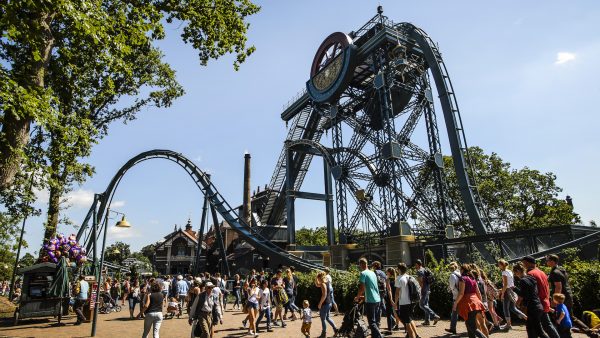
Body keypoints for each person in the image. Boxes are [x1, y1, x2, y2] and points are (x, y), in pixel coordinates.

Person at [522, 256, 560, 338]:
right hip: (544, 301)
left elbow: (531, 291)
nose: (523, 265)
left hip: (537, 303)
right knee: (546, 326)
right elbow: (547, 287)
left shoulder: (530, 274)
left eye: (524, 263)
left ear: (528, 263)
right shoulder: (541, 272)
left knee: (536, 327)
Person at [512, 263, 549, 338]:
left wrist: (522, 306)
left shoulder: (523, 281)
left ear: (518, 271)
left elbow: (524, 295)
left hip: (532, 307)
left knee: (539, 331)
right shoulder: (531, 278)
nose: (515, 275)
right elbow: (531, 292)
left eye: (515, 273)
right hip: (538, 305)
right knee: (530, 329)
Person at [453, 264, 488, 338]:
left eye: (460, 269)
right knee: (470, 326)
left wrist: (455, 303)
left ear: (462, 270)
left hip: (468, 304)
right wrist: (480, 303)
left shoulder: (462, 279)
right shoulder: (473, 279)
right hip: (476, 302)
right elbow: (478, 293)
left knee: (472, 327)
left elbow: (461, 293)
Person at [355, 258, 382, 338]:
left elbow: (362, 289)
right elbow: (373, 288)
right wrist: (363, 297)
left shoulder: (363, 273)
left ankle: (380, 336)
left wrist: (357, 297)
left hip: (370, 301)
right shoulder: (372, 273)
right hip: (377, 299)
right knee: (375, 321)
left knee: (372, 322)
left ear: (361, 264)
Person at [497, 259, 527, 330]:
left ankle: (508, 324)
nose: (498, 266)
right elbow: (511, 283)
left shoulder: (504, 272)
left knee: (505, 308)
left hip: (507, 291)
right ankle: (527, 318)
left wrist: (502, 294)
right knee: (513, 308)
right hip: (512, 290)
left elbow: (505, 284)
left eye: (498, 264)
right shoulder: (509, 271)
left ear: (501, 265)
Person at [395, 262, 421, 338]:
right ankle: (416, 335)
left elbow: (397, 293)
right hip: (412, 301)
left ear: (399, 269)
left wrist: (395, 303)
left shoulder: (399, 278)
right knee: (409, 318)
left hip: (404, 303)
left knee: (406, 322)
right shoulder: (410, 277)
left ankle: (411, 336)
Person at [414, 259, 440, 325]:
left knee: (421, 305)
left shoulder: (419, 271)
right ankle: (427, 321)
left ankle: (434, 316)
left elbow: (420, 282)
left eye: (415, 264)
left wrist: (420, 290)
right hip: (428, 288)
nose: (415, 266)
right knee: (426, 304)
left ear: (417, 264)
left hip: (423, 290)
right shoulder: (425, 269)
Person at [316, 271, 337, 338]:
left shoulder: (323, 284)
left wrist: (320, 304)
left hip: (325, 304)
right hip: (329, 302)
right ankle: (335, 329)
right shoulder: (326, 281)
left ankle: (323, 334)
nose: (318, 280)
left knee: (323, 319)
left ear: (320, 277)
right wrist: (315, 278)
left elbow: (324, 295)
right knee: (327, 318)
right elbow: (317, 284)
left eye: (318, 278)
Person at [372, 261, 391, 333]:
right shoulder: (383, 272)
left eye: (373, 266)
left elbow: (374, 282)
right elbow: (386, 281)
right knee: (382, 306)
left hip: (378, 291)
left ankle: (377, 324)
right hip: (383, 291)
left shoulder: (375, 272)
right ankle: (392, 321)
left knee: (378, 308)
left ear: (375, 266)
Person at [445, 262, 462, 334]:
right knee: (456, 312)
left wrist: (449, 289)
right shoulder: (460, 274)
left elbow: (452, 286)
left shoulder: (452, 275)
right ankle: (452, 328)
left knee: (454, 312)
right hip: (462, 295)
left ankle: (453, 328)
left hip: (456, 296)